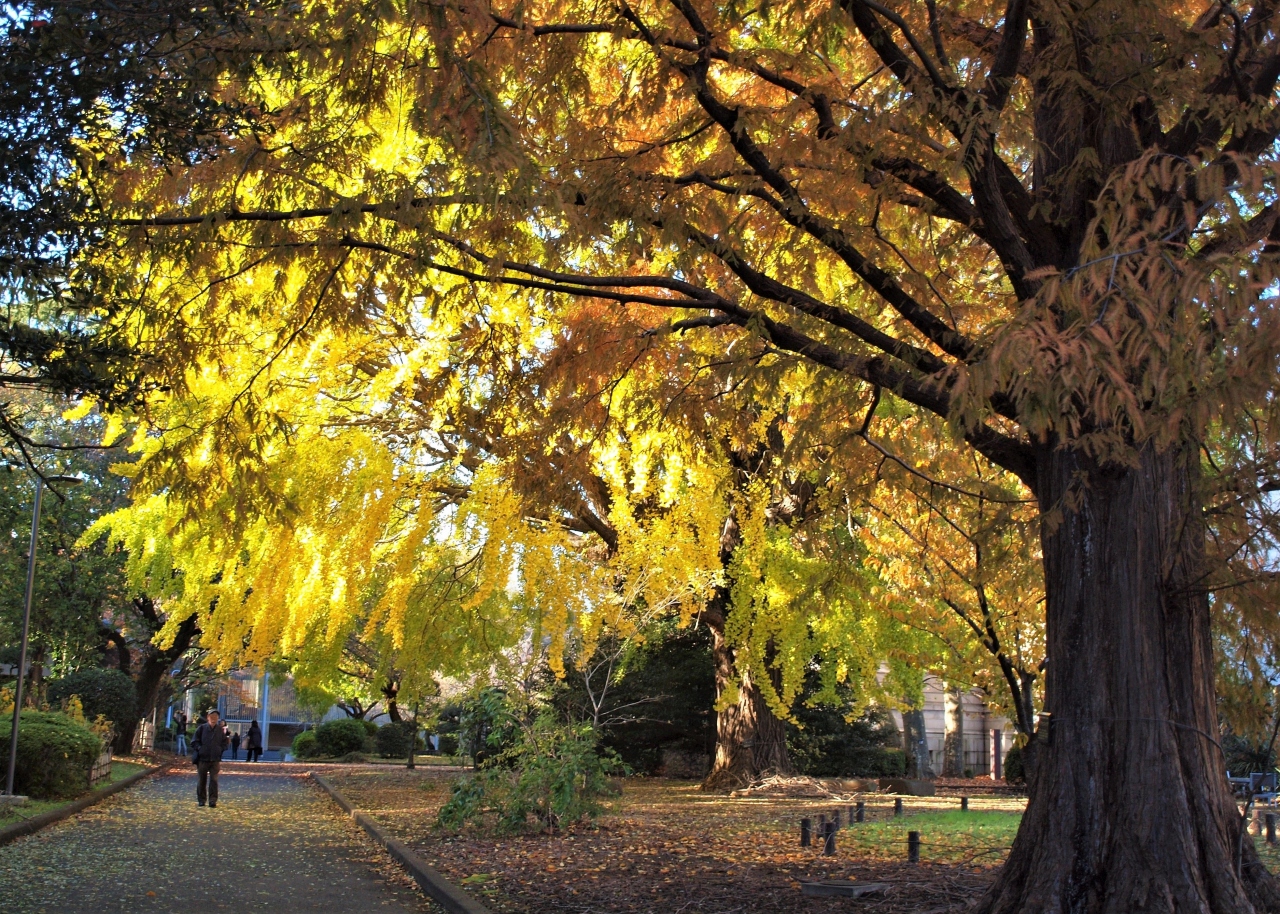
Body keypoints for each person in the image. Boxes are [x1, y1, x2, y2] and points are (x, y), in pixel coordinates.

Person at [191, 709, 230, 807]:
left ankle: (212, 800)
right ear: (208, 717)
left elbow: (225, 742)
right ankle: (201, 799)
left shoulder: (220, 730)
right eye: (211, 717)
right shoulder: (201, 728)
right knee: (202, 780)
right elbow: (194, 742)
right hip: (202, 759)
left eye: (216, 717)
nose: (213, 719)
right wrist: (200, 748)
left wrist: (220, 749)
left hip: (215, 759)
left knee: (214, 780)